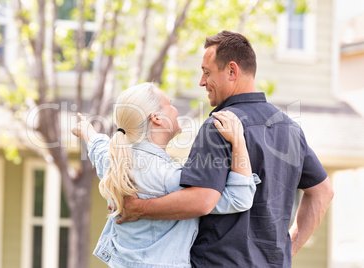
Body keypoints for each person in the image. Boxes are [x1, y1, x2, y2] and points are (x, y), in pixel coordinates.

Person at [116, 31, 334, 267]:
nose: (201, 82)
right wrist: (286, 252)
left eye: (207, 72)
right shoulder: (290, 129)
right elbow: (323, 192)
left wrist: (138, 208)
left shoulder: (218, 126)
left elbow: (201, 201)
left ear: (232, 71)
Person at [71, 82, 260, 268]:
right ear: (157, 118)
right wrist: (238, 140)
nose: (176, 109)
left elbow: (99, 148)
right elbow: (238, 198)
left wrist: (87, 131)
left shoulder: (115, 163)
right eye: (169, 104)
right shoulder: (169, 177)